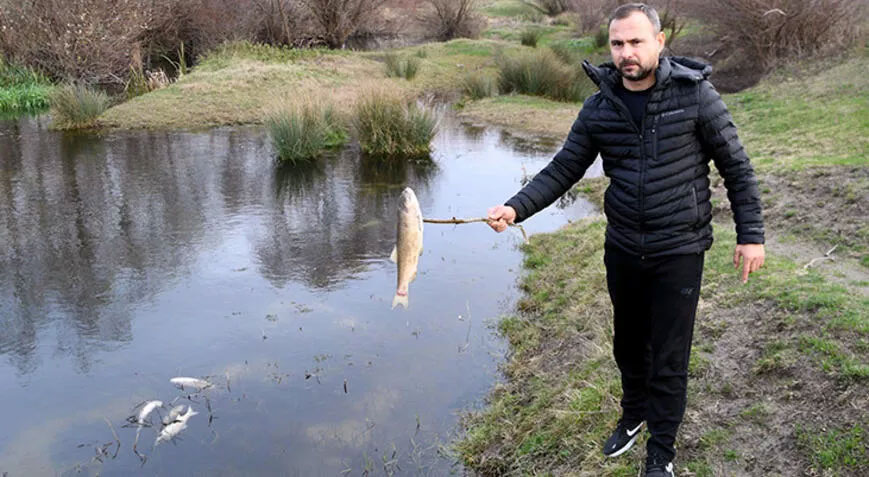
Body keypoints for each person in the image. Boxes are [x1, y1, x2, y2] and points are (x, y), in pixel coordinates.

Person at [486, 3, 765, 476]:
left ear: (659, 41)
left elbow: (736, 166)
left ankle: (662, 453)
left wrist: (751, 235)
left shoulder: (696, 96)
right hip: (623, 249)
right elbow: (563, 168)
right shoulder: (600, 106)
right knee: (628, 345)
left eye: (636, 42)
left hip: (679, 247)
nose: (626, 53)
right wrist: (516, 208)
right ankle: (633, 413)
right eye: (618, 44)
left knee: (670, 356)